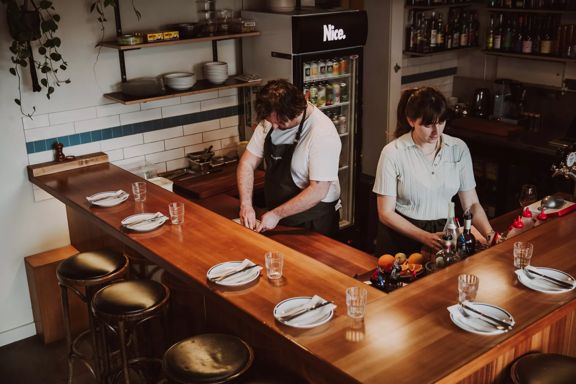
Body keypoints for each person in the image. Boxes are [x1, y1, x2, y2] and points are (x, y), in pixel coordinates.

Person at [373, 87, 494, 256]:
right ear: (411, 121)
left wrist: (490, 235)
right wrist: (424, 237)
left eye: (441, 122)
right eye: (428, 125)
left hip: (443, 234)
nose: (436, 131)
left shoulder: (458, 148)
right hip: (401, 235)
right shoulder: (393, 152)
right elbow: (385, 213)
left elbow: (472, 205)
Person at [237, 79, 342, 236]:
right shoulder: (271, 121)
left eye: (279, 123)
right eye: (270, 121)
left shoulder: (322, 133)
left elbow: (318, 190)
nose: (274, 127)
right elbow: (247, 163)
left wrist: (277, 214)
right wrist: (246, 204)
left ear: (296, 111)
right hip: (277, 217)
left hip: (313, 220)